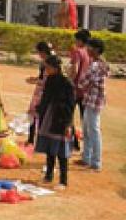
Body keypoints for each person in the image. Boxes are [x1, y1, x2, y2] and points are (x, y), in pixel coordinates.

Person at [35, 55, 76, 189]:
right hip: (48, 116)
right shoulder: (50, 80)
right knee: (49, 147)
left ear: (54, 68)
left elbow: (71, 105)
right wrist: (39, 109)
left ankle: (63, 180)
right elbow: (45, 98)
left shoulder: (67, 83)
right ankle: (49, 174)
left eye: (47, 67)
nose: (45, 70)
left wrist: (68, 124)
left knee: (61, 151)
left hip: (61, 119)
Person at [77, 37, 107, 172]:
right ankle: (86, 158)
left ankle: (96, 162)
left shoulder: (96, 65)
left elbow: (84, 82)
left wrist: (74, 83)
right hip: (91, 99)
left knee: (93, 130)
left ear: (96, 50)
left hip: (94, 101)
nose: (87, 49)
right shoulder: (98, 63)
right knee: (87, 130)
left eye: (89, 47)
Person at [25, 41, 57, 147]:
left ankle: (36, 140)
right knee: (38, 115)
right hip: (43, 90)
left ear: (43, 52)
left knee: (38, 114)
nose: (39, 55)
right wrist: (35, 79)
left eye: (39, 52)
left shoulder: (48, 62)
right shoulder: (49, 60)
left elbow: (46, 80)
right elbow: (42, 77)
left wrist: (35, 81)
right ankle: (33, 138)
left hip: (44, 92)